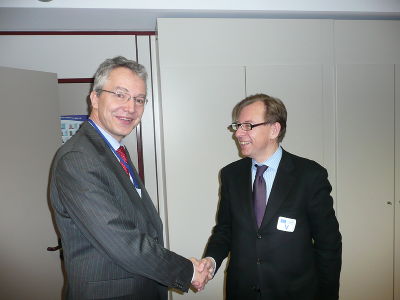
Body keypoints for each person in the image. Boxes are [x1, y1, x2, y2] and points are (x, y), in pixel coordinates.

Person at [50, 56, 212, 299]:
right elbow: (120, 239)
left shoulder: (113, 151)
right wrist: (187, 271)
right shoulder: (78, 159)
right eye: (120, 94)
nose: (130, 107)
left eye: (139, 99)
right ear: (94, 97)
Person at [201, 94, 342, 299]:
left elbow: (328, 244)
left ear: (274, 130)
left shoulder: (309, 175)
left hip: (295, 292)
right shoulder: (231, 175)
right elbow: (225, 229)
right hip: (242, 292)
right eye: (237, 125)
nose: (238, 133)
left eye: (248, 125)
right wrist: (211, 261)